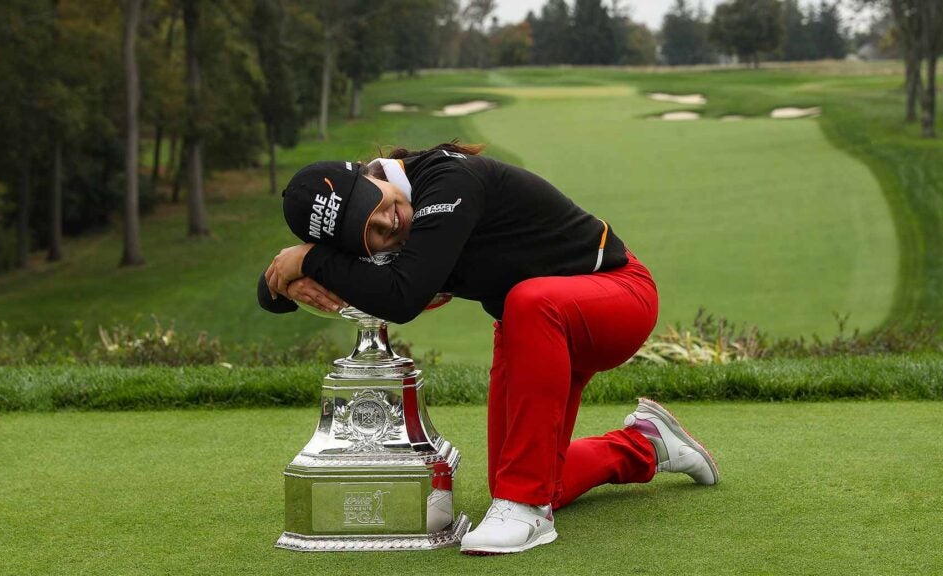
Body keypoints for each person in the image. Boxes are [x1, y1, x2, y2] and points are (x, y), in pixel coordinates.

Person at [258, 142, 720, 555]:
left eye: (372, 204)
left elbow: (402, 298)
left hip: (618, 295)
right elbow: (271, 299)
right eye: (370, 231)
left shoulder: (447, 179)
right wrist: (282, 274)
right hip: (536, 330)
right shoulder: (394, 219)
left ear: (369, 173)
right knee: (523, 475)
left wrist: (312, 259)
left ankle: (528, 513)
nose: (388, 221)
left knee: (527, 311)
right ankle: (646, 445)